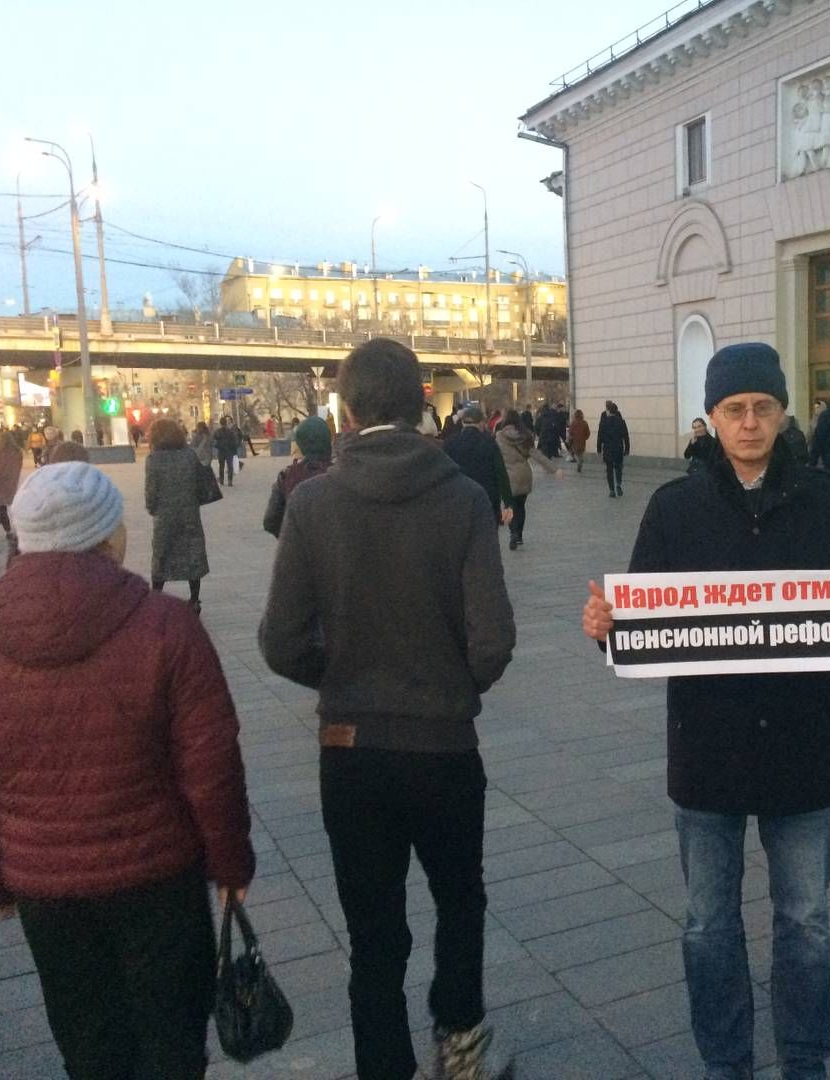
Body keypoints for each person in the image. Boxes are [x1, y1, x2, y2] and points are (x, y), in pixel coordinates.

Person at [580, 342, 830, 1080]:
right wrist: (609, 625)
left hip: (803, 748)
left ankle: (804, 1058)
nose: (749, 422)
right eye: (734, 410)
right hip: (707, 750)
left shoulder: (828, 500)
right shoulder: (675, 507)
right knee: (708, 924)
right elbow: (640, 621)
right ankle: (726, 1059)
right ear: (711, 417)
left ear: (783, 412)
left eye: (763, 407)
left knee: (806, 921)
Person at [0, 461, 253, 1080]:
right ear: (110, 537)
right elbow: (212, 766)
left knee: (89, 1043)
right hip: (158, 879)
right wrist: (231, 865)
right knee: (173, 1042)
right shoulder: (168, 628)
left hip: (45, 890)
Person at [259, 338, 517, 1080]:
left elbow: (279, 641)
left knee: (373, 931)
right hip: (443, 750)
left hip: (350, 750)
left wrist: (342, 678)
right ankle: (460, 1051)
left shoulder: (312, 502)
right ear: (423, 403)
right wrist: (448, 688)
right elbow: (492, 641)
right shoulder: (464, 498)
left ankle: (384, 1066)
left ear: (345, 408)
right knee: (460, 902)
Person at [145, 418, 210, 614]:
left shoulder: (153, 458)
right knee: (192, 554)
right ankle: (195, 599)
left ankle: (156, 597)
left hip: (165, 516)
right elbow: (200, 483)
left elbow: (151, 490)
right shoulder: (189, 455)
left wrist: (152, 508)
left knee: (161, 555)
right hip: (189, 513)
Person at [496, 410, 562, 550]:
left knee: (510, 506)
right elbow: (537, 455)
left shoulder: (499, 437)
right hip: (524, 475)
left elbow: (493, 456)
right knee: (521, 506)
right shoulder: (525, 436)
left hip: (507, 477)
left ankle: (513, 532)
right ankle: (519, 535)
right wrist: (554, 469)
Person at [443, 406, 514, 530]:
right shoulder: (489, 442)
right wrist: (508, 503)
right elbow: (500, 473)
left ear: (462, 422)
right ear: (481, 423)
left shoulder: (449, 443)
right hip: (487, 500)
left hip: (458, 501)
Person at [263, 415, 333, 538]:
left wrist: (291, 536)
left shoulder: (287, 476)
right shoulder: (342, 472)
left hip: (297, 551)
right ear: (329, 440)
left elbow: (270, 520)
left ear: (301, 444)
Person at [597, 401, 631, 497]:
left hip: (607, 449)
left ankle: (611, 490)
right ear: (616, 411)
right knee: (619, 467)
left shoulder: (603, 422)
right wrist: (627, 449)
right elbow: (626, 436)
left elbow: (600, 437)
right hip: (618, 448)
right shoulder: (621, 421)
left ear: (608, 411)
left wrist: (599, 449)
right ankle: (618, 484)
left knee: (609, 469)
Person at [213, 416, 239, 486]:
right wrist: (234, 451)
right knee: (230, 466)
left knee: (221, 466)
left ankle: (221, 480)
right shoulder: (230, 431)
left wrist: (217, 446)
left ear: (220, 423)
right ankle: (230, 481)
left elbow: (214, 441)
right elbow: (234, 442)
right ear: (226, 423)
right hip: (229, 451)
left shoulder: (217, 431)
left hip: (221, 451)